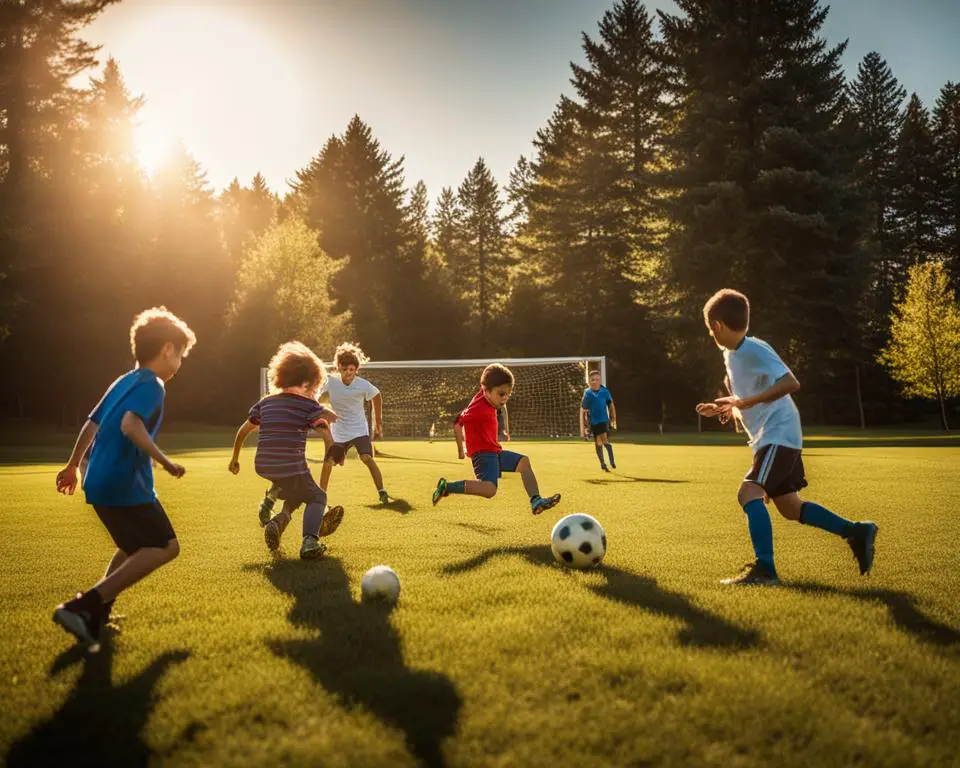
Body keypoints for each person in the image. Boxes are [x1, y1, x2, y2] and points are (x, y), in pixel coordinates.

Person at [695, 289, 879, 585]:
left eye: (709, 328)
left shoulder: (753, 348)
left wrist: (747, 403)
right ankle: (856, 531)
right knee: (790, 508)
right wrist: (723, 405)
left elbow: (791, 382)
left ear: (716, 325)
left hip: (778, 433)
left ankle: (765, 570)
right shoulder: (732, 355)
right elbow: (748, 394)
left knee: (748, 494)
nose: (710, 334)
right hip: (774, 436)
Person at [53, 307, 197, 652]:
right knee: (165, 547)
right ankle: (82, 606)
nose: (179, 363)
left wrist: (72, 466)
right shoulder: (153, 385)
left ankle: (97, 613)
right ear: (166, 349)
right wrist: (164, 460)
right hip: (124, 482)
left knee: (132, 547)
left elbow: (91, 424)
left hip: (98, 481)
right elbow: (130, 425)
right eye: (180, 354)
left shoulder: (123, 380)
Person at [229, 342, 345, 559]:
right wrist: (332, 447)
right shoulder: (309, 406)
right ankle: (310, 541)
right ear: (307, 382)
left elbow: (243, 431)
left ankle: (277, 516)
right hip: (290, 467)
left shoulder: (265, 403)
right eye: (314, 387)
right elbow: (326, 435)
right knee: (316, 497)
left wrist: (235, 459)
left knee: (297, 492)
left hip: (263, 465)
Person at [431, 363, 561, 514]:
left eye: (508, 394)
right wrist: (462, 451)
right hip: (483, 455)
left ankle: (536, 501)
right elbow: (458, 423)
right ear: (486, 391)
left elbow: (493, 382)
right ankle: (447, 487)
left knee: (523, 462)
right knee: (490, 489)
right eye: (501, 394)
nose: (505, 398)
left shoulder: (488, 395)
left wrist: (505, 427)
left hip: (494, 451)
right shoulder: (477, 410)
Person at [318, 342, 390, 504]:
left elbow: (377, 396)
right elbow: (320, 400)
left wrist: (377, 422)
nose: (348, 373)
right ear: (339, 369)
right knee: (328, 462)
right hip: (339, 433)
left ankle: (382, 492)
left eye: (352, 369)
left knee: (366, 457)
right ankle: (320, 496)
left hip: (359, 430)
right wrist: (320, 405)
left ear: (356, 370)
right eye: (344, 369)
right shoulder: (331, 383)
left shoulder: (363, 385)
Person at [581, 371, 617, 471]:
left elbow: (611, 405)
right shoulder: (587, 393)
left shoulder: (605, 391)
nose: (595, 382)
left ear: (600, 380)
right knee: (598, 443)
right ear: (589, 381)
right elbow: (583, 409)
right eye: (593, 380)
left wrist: (613, 418)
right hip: (593, 422)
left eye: (597, 380)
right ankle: (602, 464)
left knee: (604, 440)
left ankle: (612, 461)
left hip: (603, 420)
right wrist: (585, 424)